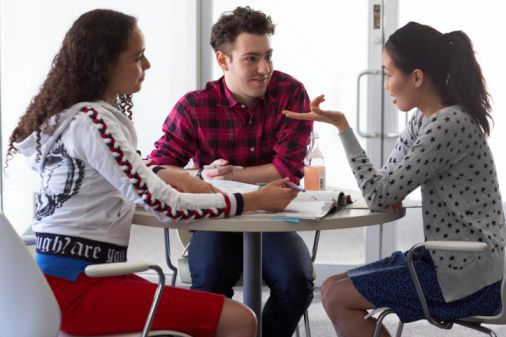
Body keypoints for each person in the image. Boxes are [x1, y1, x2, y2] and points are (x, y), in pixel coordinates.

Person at [6, 9, 299, 337]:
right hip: (82, 286)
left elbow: (132, 183)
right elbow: (167, 206)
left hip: (64, 280)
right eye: (138, 57)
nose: (147, 66)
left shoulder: (69, 119)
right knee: (241, 319)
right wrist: (255, 199)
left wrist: (181, 178)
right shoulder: (94, 123)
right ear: (106, 62)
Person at [284, 21, 505, 337]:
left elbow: (378, 194)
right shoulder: (424, 118)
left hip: (469, 277)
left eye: (389, 74)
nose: (385, 84)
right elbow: (387, 181)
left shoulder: (449, 124)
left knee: (335, 298)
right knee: (332, 286)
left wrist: (343, 128)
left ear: (416, 77)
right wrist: (387, 188)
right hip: (445, 261)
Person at [148, 6, 314, 337]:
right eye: (251, 58)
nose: (264, 68)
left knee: (297, 285)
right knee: (207, 286)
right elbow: (158, 167)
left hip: (273, 220)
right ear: (223, 61)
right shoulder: (194, 106)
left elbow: (286, 171)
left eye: (268, 56)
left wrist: (228, 175)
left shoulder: (291, 94)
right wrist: (199, 177)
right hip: (216, 220)